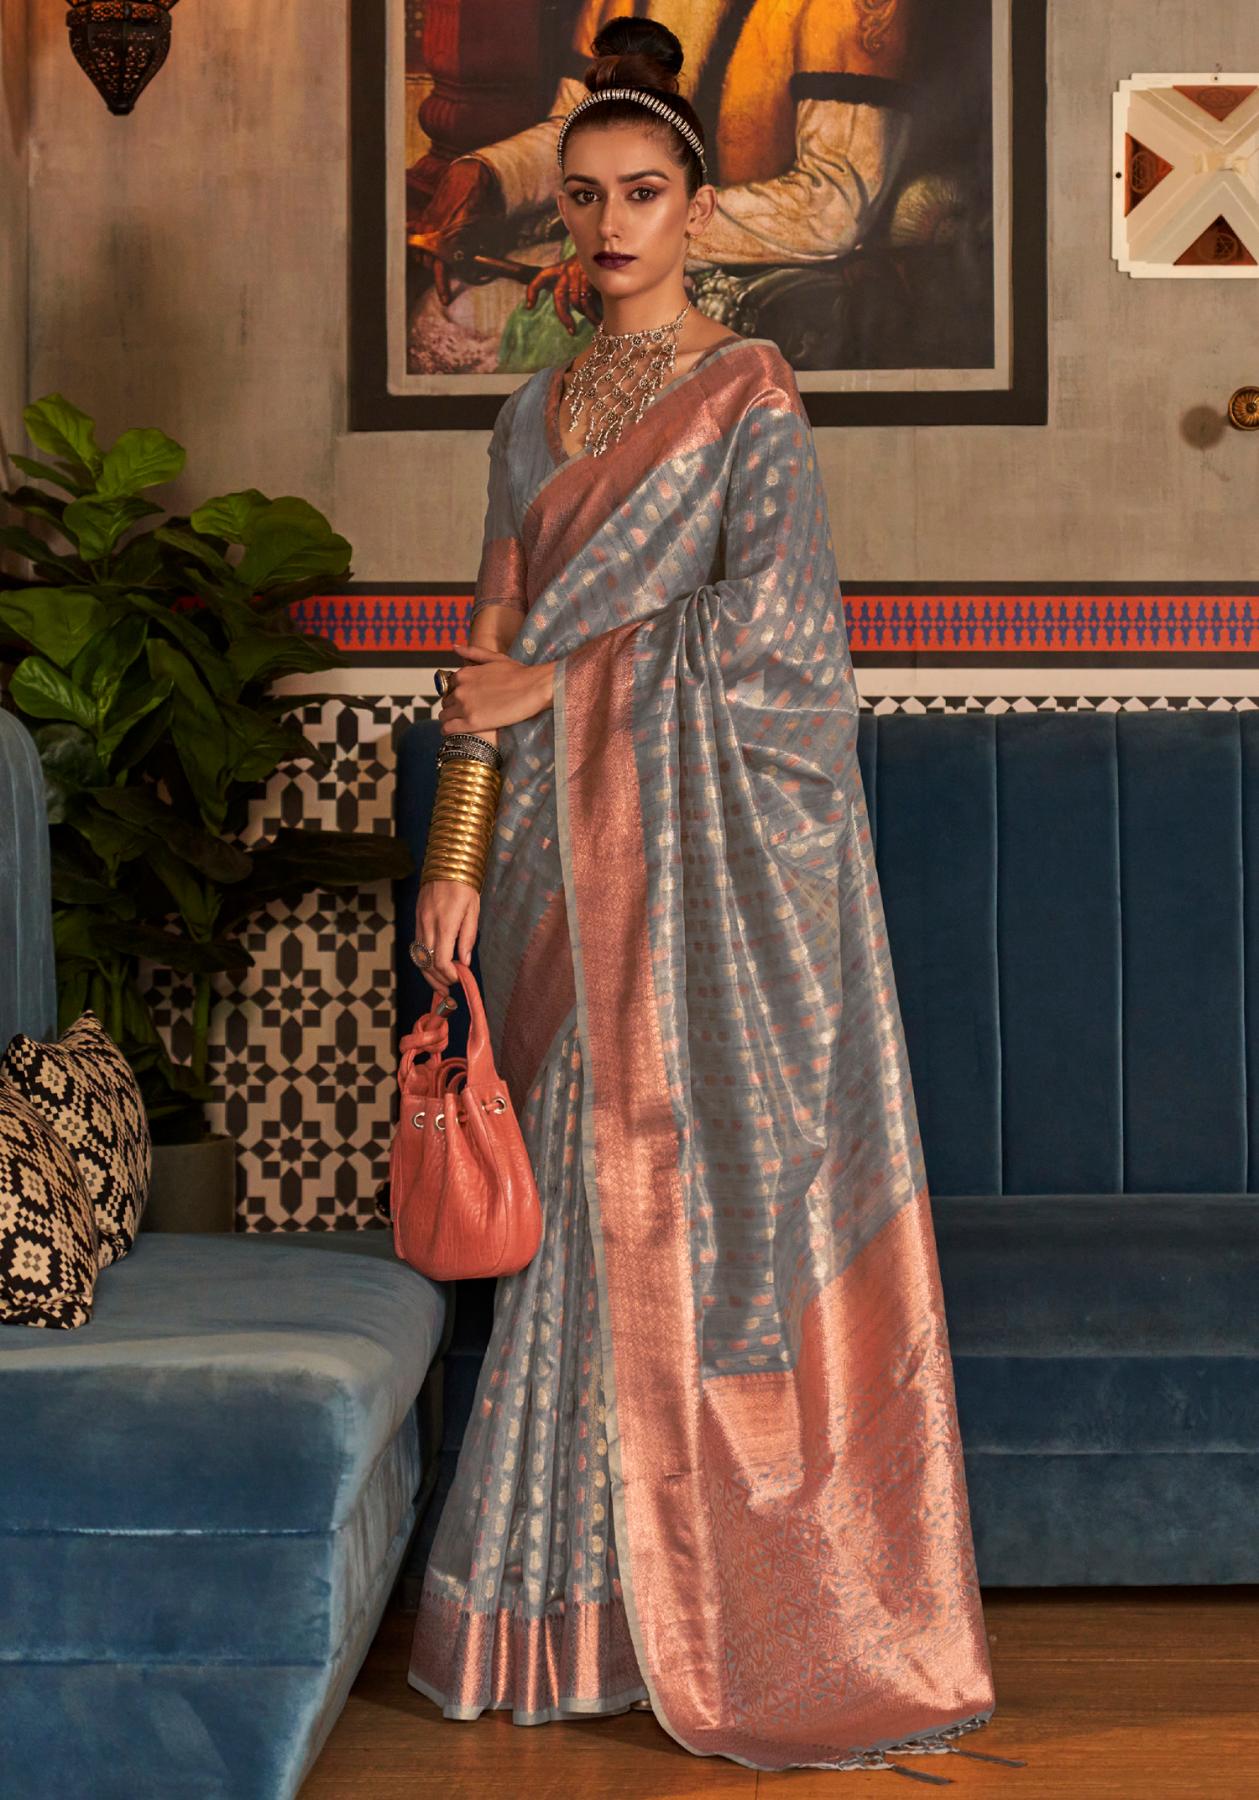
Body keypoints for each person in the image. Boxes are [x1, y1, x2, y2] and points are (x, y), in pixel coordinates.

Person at [406, 15, 1023, 1783]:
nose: (610, 225)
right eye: (584, 197)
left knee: (651, 1193)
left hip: (691, 862)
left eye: (643, 195)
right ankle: (564, 1607)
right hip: (546, 856)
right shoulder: (527, 413)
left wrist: (571, 682)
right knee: (575, 1217)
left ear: (692, 208)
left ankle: (691, 1604)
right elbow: (486, 653)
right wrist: (454, 863)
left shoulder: (749, 395)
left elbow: (788, 650)